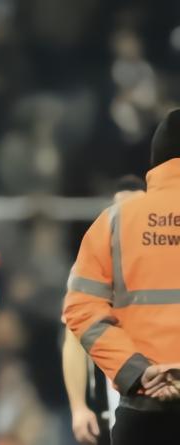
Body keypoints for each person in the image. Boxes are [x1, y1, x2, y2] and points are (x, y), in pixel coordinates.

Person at [63, 109, 180, 445]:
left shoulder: (114, 222)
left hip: (144, 408)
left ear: (155, 161)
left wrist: (137, 372)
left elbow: (80, 309)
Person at [62, 175, 145, 445]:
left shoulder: (162, 264)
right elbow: (74, 338)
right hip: (107, 401)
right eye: (120, 208)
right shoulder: (94, 265)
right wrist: (78, 407)